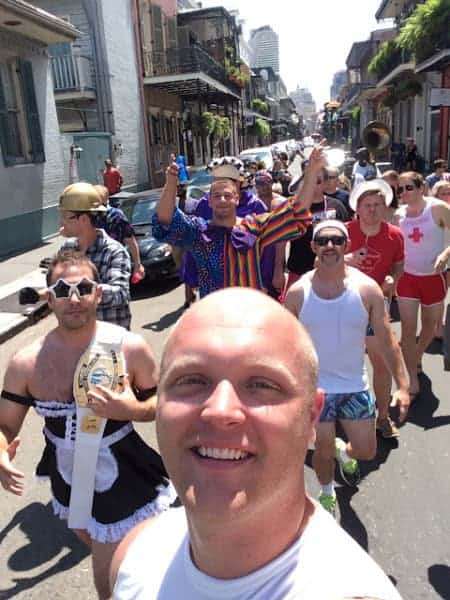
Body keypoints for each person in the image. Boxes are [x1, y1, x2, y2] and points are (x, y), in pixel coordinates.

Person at [110, 287, 402, 599]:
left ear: (311, 417)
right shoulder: (134, 554)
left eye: (262, 385)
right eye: (191, 380)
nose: (220, 411)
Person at [0, 251, 176, 600]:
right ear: (49, 299)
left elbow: (161, 405)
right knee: (100, 548)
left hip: (126, 474)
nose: (74, 298)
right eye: (63, 291)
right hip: (67, 478)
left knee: (111, 580)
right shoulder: (25, 363)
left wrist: (131, 409)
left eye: (83, 287)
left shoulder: (130, 348)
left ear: (98, 293)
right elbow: (5, 426)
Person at [285, 220, 409, 515]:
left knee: (366, 450)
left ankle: (346, 452)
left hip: (354, 385)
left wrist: (403, 385)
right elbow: (284, 344)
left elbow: (387, 339)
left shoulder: (367, 290)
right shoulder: (298, 293)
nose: (330, 246)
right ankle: (327, 492)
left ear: (346, 246)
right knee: (322, 449)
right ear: (314, 246)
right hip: (315, 388)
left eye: (337, 240)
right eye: (324, 240)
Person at [151, 149, 322, 297]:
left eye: (227, 195)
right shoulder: (198, 231)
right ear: (208, 201)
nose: (223, 200)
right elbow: (166, 221)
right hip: (215, 319)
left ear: (237, 199)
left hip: (249, 316)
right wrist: (171, 184)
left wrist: (312, 172)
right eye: (217, 196)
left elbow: (295, 214)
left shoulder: (254, 226)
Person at [19, 183, 132, 329]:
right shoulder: (67, 248)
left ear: (84, 219)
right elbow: (61, 288)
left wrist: (82, 288)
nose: (62, 222)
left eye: (66, 217)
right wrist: (38, 295)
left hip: (109, 339)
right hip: (76, 337)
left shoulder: (114, 251)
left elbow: (120, 294)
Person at [346, 180, 405, 439]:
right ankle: (342, 415)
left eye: (377, 205)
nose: (372, 210)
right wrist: (346, 258)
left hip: (376, 308)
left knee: (381, 364)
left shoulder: (395, 234)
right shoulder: (343, 232)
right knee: (344, 365)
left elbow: (398, 265)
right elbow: (319, 263)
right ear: (357, 208)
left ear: (385, 208)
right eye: (367, 205)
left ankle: (382, 417)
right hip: (344, 307)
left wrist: (393, 278)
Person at [179, 159, 266, 307]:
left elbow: (268, 244)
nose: (224, 183)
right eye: (219, 179)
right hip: (213, 282)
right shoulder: (205, 204)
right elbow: (195, 241)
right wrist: (191, 277)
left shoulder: (255, 204)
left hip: (248, 279)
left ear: (240, 182)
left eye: (230, 179)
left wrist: (268, 277)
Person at [393, 172, 450, 397]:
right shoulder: (398, 215)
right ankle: (412, 375)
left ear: (421, 187)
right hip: (407, 278)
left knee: (429, 327)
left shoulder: (437, 209)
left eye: (408, 187)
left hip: (433, 277)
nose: (404, 193)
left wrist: (445, 255)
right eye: (401, 189)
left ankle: (415, 357)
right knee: (408, 329)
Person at [281, 167, 349, 301]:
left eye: (317, 181)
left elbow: (347, 238)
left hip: (332, 272)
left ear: (325, 183)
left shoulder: (337, 205)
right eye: (309, 181)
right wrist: (278, 271)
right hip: (299, 270)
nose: (313, 185)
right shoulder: (294, 208)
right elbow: (281, 241)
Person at [94, 185, 145, 283]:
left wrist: (138, 265)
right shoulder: (89, 217)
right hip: (96, 266)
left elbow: (130, 240)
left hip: (115, 263)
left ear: (104, 199)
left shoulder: (116, 215)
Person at [255, 171, 288, 296]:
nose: (262, 186)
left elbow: (282, 238)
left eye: (265, 183)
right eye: (258, 183)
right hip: (256, 255)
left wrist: (278, 270)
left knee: (274, 293)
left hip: (275, 254)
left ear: (271, 183)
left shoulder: (280, 202)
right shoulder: (252, 203)